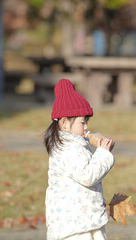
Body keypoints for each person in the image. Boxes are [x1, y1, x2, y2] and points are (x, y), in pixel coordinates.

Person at [44, 79, 115, 240]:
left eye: (87, 122)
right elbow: (87, 176)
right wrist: (103, 154)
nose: (86, 128)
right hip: (73, 225)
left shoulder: (74, 144)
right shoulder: (66, 148)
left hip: (85, 219)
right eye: (82, 122)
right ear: (64, 123)